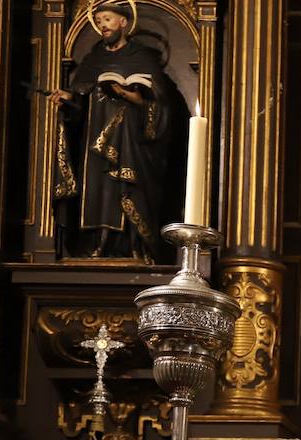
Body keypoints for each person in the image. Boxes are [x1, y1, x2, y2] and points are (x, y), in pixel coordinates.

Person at [48, 2, 180, 262]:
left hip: (131, 142)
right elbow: (79, 101)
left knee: (126, 190)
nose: (102, 26)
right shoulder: (94, 59)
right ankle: (95, 244)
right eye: (98, 21)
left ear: (123, 22)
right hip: (94, 143)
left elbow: (160, 105)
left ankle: (134, 247)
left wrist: (135, 99)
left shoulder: (142, 57)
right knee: (97, 192)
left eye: (107, 19)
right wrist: (69, 98)